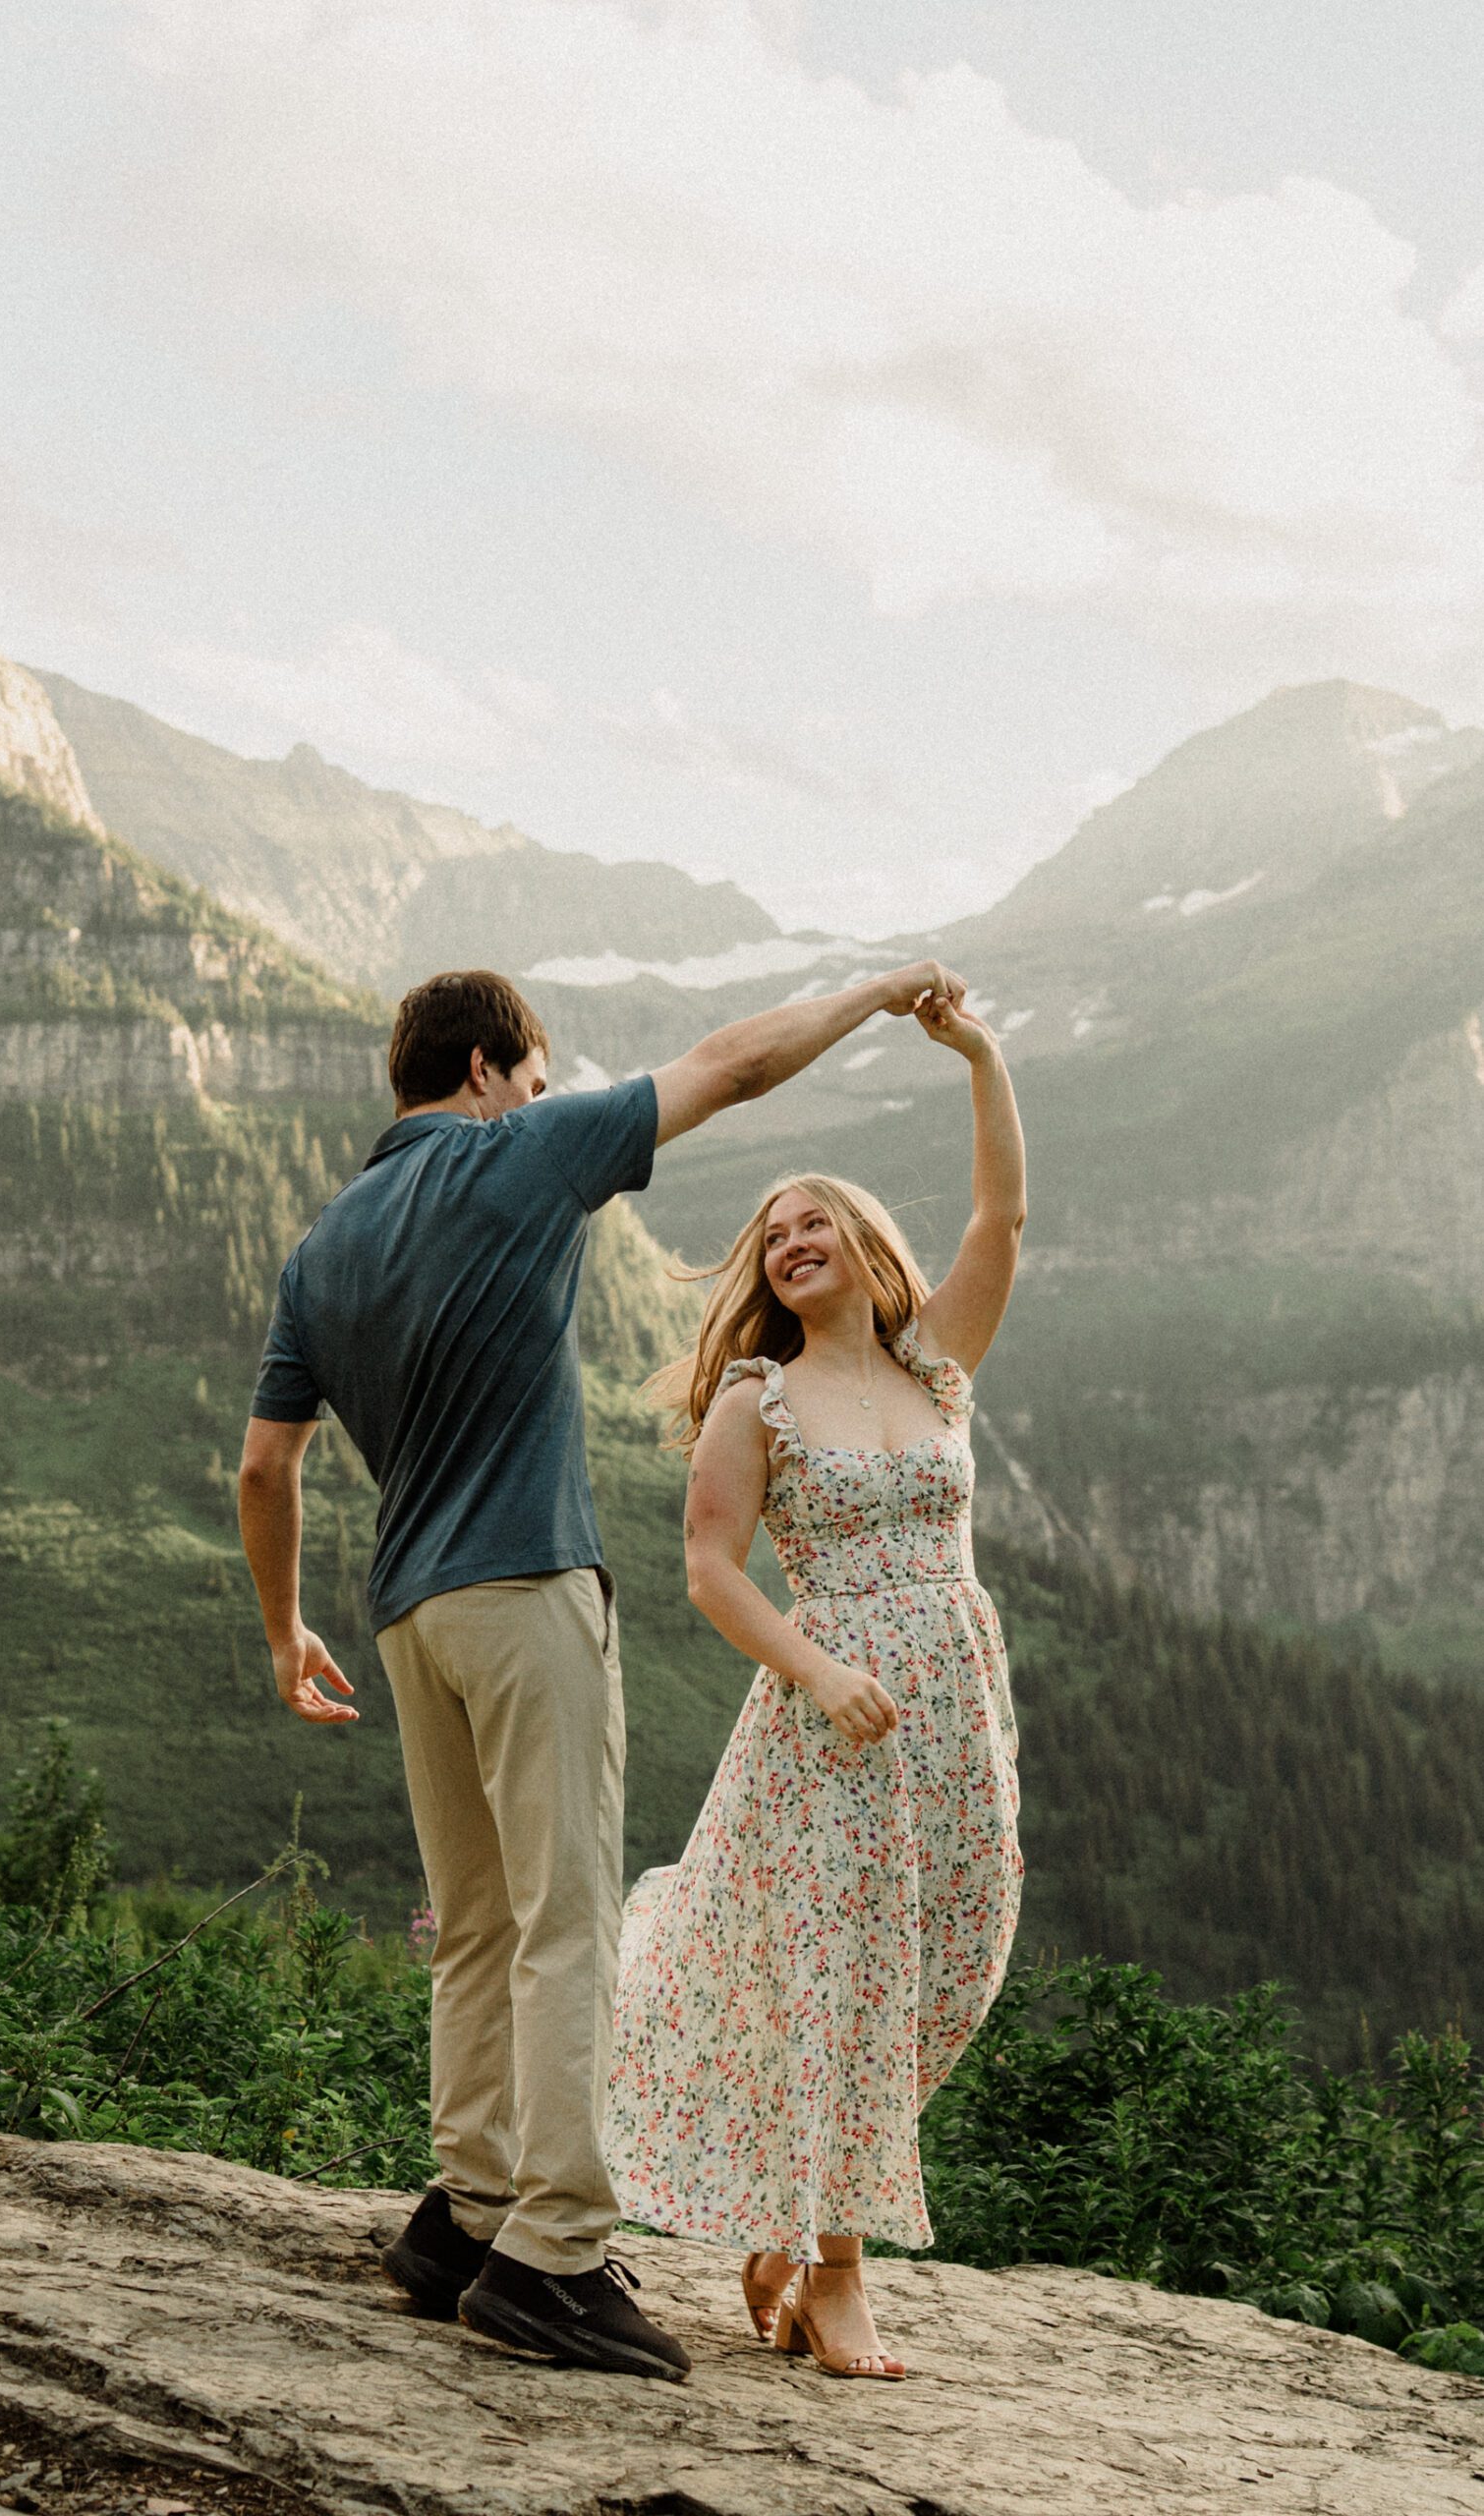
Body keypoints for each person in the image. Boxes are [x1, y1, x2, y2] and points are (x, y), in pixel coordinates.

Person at [236, 956, 965, 2385]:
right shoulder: (515, 1155)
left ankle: (465, 2213)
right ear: (495, 1070)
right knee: (568, 1920)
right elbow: (735, 1063)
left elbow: (268, 1462)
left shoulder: (321, 1249)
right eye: (538, 1074)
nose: (546, 1095)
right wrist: (873, 994)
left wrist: (282, 1628)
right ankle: (552, 2257)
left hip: (403, 1616)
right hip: (523, 1586)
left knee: (480, 1922)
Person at [604, 985, 1025, 2378]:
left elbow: (998, 1224)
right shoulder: (754, 1400)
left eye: (812, 1223)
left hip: (958, 1713)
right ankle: (835, 2278)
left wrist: (979, 1057)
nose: (790, 1242)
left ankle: (789, 2232)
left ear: (860, 1246)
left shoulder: (935, 1369)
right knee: (845, 1982)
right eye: (770, 1234)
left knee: (954, 1967)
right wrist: (820, 1670)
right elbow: (712, 1568)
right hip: (829, 1721)